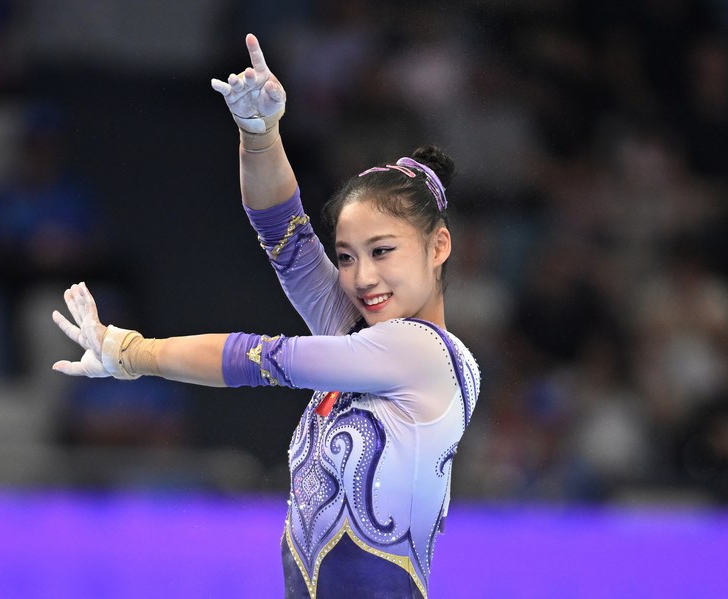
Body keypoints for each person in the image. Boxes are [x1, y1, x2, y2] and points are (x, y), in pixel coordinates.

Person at [51, 34, 480, 598]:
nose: (362, 278)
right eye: (348, 257)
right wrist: (259, 137)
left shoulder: (421, 354)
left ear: (438, 246)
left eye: (383, 252)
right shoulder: (359, 334)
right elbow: (285, 236)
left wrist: (135, 353)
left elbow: (261, 358)